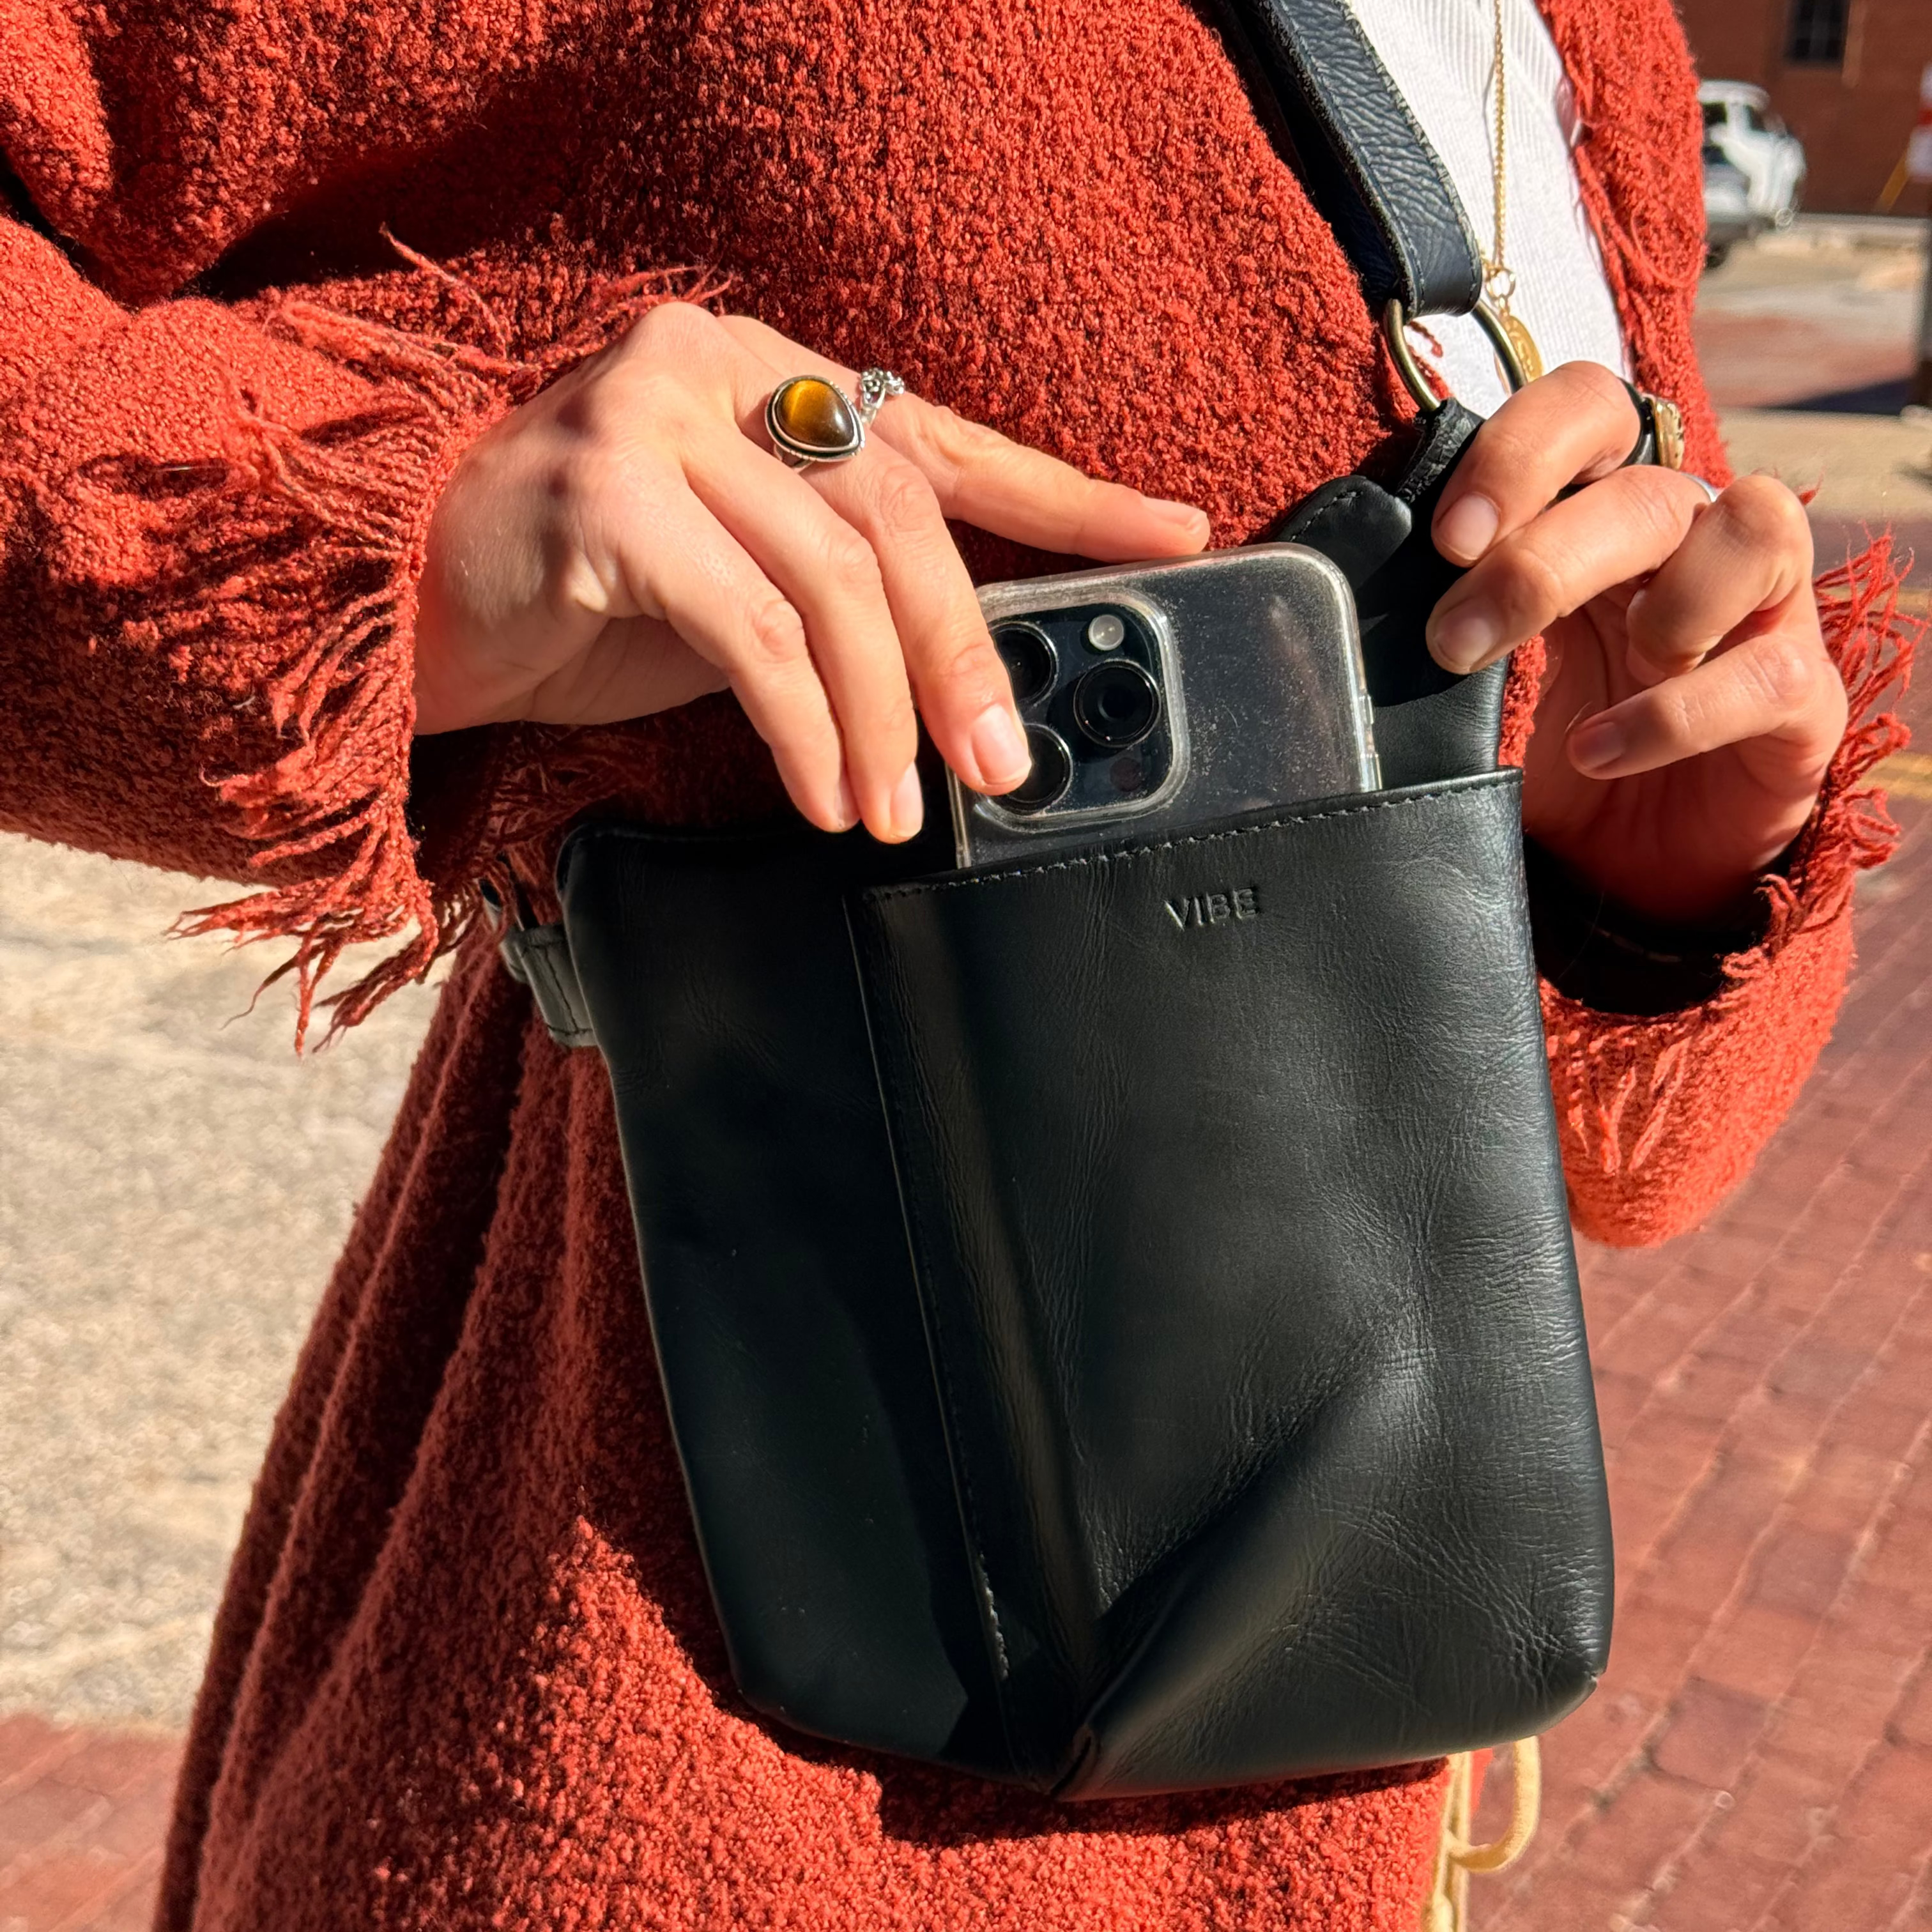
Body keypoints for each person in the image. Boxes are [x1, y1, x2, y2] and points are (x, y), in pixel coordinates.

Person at [0, 0, 1908, 1922]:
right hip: (669, 1780)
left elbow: (1642, 1162)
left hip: (1343, 1783)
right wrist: (412, 551)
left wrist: (1651, 875)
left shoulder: (1603, 48)